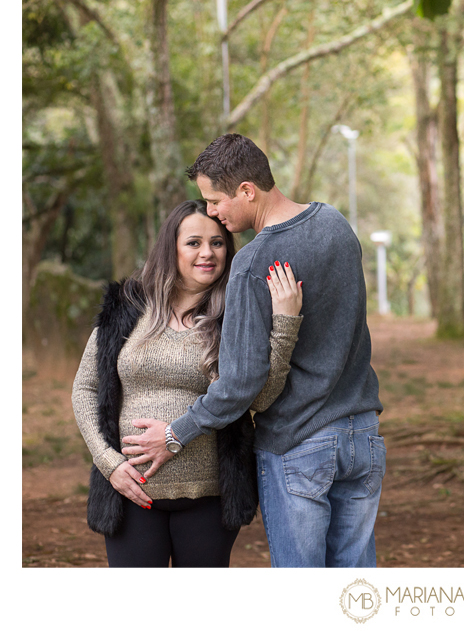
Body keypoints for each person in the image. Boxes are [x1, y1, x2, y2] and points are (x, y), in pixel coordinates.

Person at [120, 134, 385, 568]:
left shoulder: (253, 263)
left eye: (215, 200)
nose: (212, 212)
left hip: (299, 443)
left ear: (247, 191)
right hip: (363, 438)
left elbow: (240, 383)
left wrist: (174, 435)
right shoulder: (336, 225)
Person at [71, 200, 303, 567]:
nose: (207, 253)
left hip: (208, 501)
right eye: (193, 242)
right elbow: (85, 388)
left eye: (218, 243)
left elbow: (259, 399)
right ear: (172, 247)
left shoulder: (237, 315)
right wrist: (108, 462)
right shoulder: (126, 305)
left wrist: (285, 327)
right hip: (129, 493)